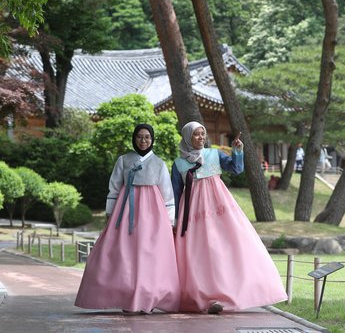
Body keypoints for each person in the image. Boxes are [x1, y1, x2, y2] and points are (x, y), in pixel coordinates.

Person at [172, 122, 287, 314]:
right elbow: (176, 192)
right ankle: (202, 297)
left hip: (219, 208)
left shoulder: (214, 154)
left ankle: (227, 294)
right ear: (187, 137)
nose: (201, 137)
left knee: (225, 249)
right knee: (198, 254)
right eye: (196, 135)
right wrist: (175, 220)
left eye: (203, 133)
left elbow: (236, 169)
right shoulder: (178, 164)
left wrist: (237, 151)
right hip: (191, 212)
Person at [75, 124, 180, 313]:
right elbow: (114, 188)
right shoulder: (123, 160)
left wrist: (170, 220)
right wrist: (109, 213)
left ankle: (147, 298)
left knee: (149, 254)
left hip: (153, 214)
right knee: (124, 253)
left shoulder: (159, 163)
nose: (143, 140)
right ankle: (126, 296)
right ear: (134, 138)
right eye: (139, 137)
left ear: (152, 139)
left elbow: (167, 194)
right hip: (125, 212)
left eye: (147, 137)